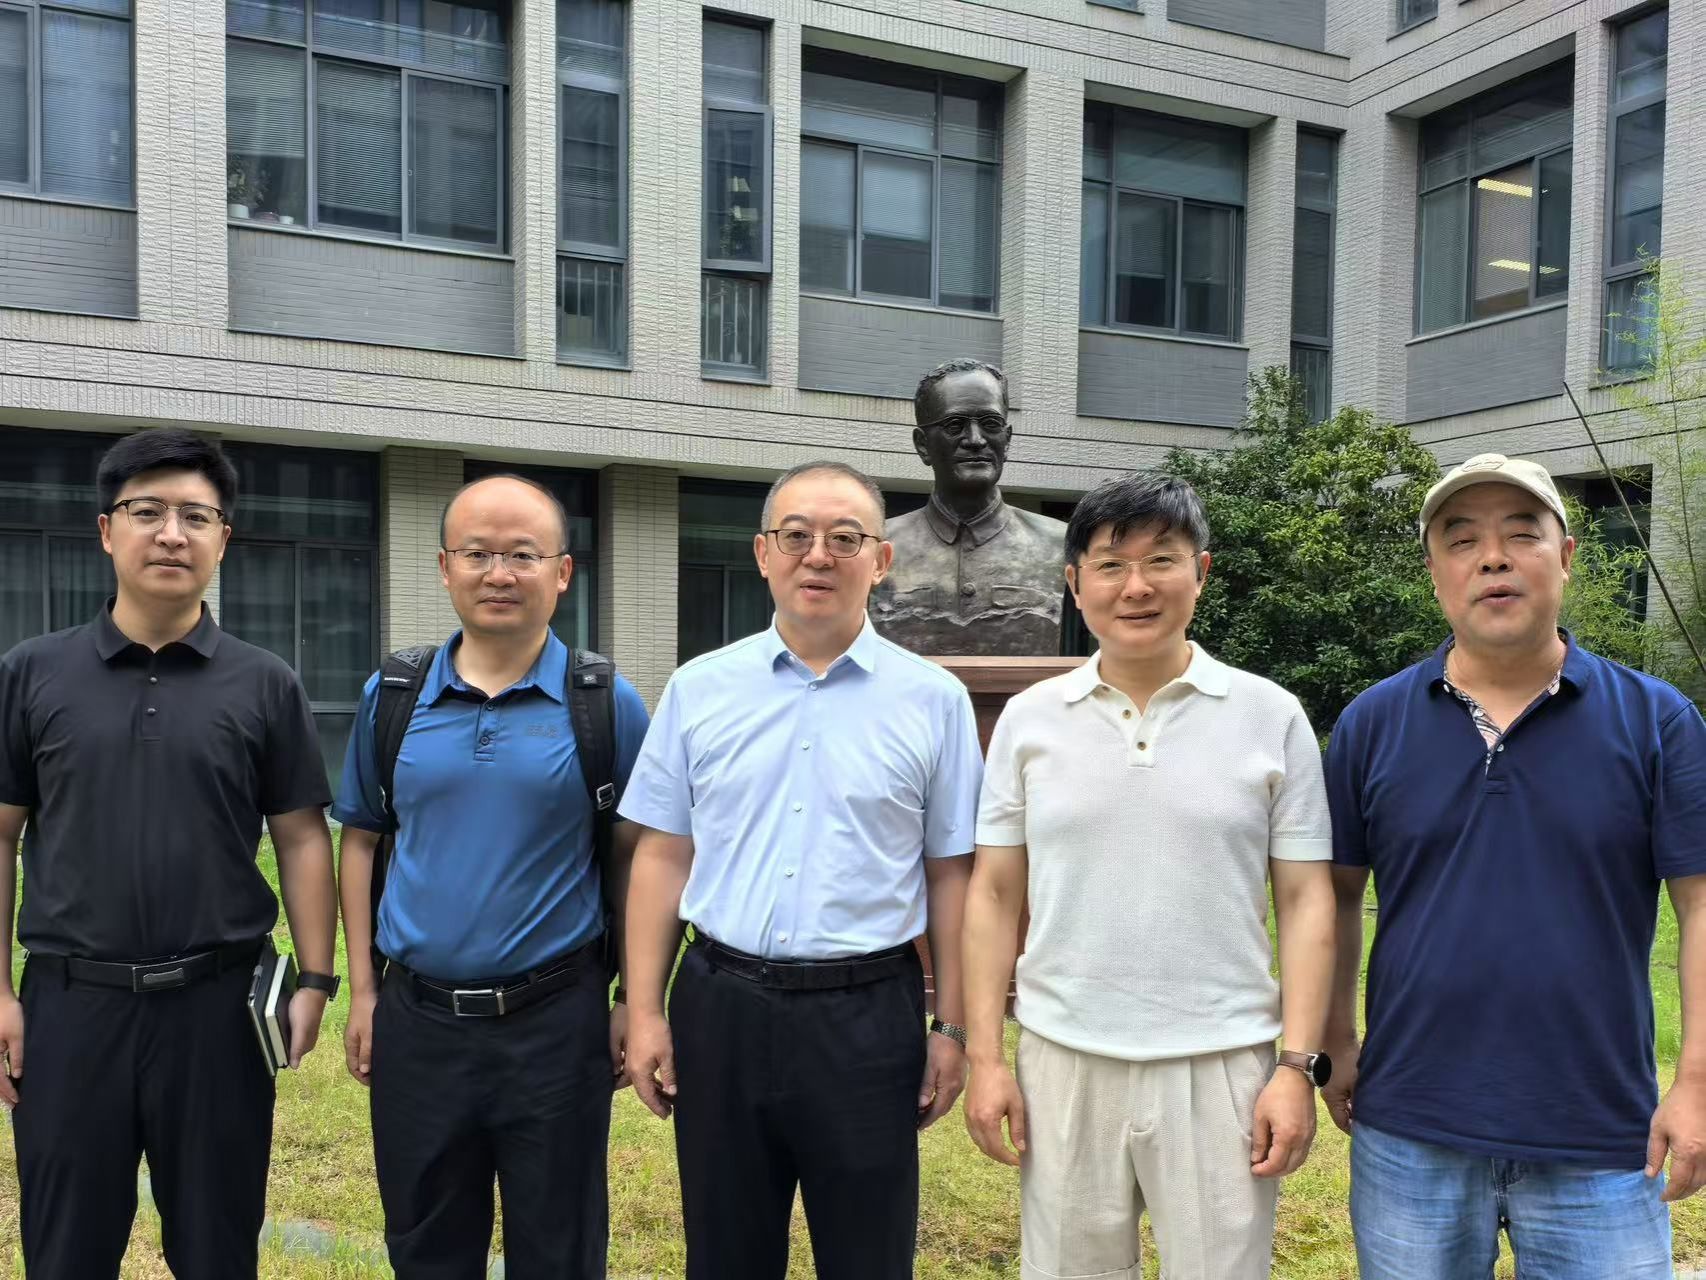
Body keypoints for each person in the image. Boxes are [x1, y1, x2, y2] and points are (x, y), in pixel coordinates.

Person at [1322, 452, 1706, 1279]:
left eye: (1521, 534)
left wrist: (1697, 1082)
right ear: (1435, 574)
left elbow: (1701, 906)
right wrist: (1336, 1036)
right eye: (1462, 541)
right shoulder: (1371, 724)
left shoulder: (1658, 720)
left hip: (1602, 1135)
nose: (1492, 558)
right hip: (1410, 1128)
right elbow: (1334, 897)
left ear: (1565, 558)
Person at [961, 473, 1337, 1280]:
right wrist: (986, 1058)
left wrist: (1295, 1066)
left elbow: (1307, 901)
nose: (1136, 587)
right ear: (1075, 583)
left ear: (1201, 572)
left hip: (1223, 1060)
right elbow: (992, 895)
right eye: (1110, 564)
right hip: (1064, 1056)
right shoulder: (1030, 720)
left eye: (1161, 560)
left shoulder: (1270, 716)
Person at [620, 460, 984, 1280]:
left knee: (867, 1256)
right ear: (763, 553)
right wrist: (644, 1011)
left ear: (881, 560)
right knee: (725, 1253)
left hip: (867, 1016)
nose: (819, 555)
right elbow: (663, 854)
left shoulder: (934, 701)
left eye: (845, 539)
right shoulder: (698, 689)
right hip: (722, 1006)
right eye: (797, 536)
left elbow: (951, 874)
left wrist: (952, 1028)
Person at [0, 427, 338, 1279]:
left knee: (218, 1249)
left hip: (218, 1011)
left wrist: (315, 979)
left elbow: (302, 836)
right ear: (106, 529)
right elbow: (0, 834)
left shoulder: (265, 683)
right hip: (71, 1010)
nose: (171, 534)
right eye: (147, 511)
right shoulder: (32, 674)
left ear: (224, 538)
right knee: (65, 1251)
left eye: (196, 516)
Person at [334, 473, 648, 1279]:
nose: (499, 573)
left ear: (562, 572)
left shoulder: (604, 701)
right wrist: (364, 992)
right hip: (419, 1020)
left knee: (560, 1248)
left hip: (556, 1022)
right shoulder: (393, 695)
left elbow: (636, 858)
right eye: (477, 554)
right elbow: (361, 841)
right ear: (445, 568)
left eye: (522, 555)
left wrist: (631, 1001)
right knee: (426, 1245)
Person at [870, 359, 1069, 656]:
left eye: (990, 424)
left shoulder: (1062, 542)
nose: (976, 440)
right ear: (922, 444)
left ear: (1007, 440)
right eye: (954, 425)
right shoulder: (876, 545)